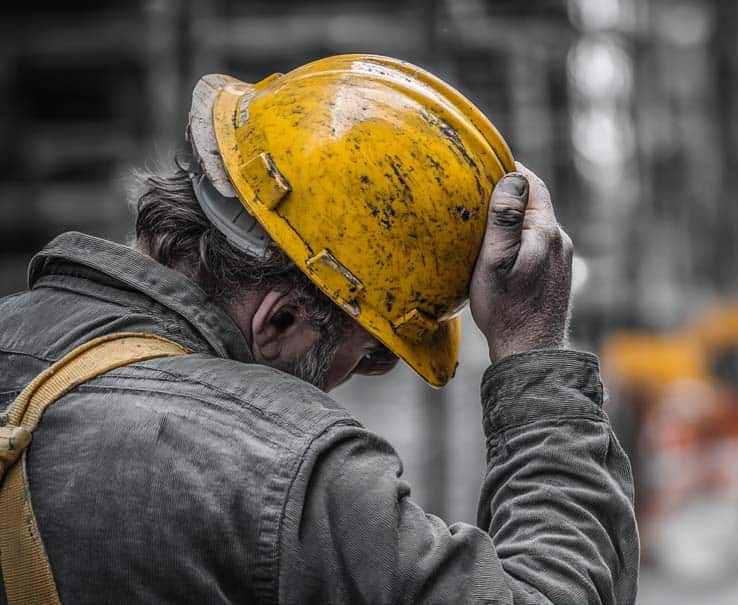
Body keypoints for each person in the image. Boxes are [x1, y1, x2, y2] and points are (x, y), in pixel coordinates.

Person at [0, 55, 638, 603]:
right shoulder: (283, 468)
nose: (358, 378)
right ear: (280, 319)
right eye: (369, 356)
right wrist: (532, 347)